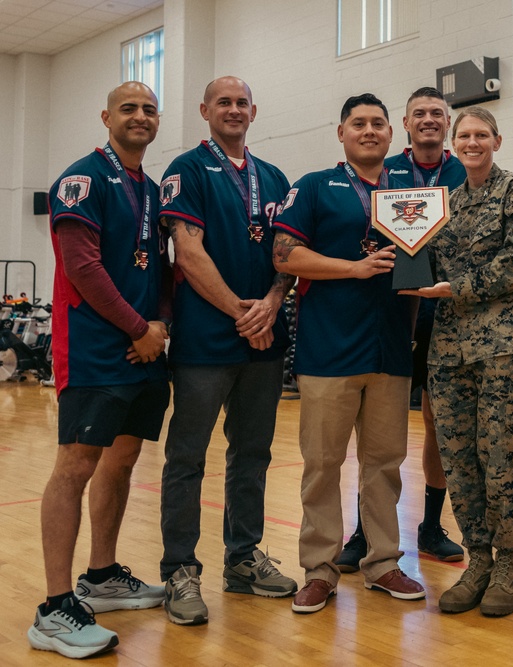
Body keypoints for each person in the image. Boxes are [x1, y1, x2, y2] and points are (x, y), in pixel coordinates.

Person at [29, 81, 169, 659]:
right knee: (76, 465)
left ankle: (102, 576)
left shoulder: (155, 190)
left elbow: (162, 272)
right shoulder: (81, 179)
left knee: (125, 457)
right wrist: (139, 329)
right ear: (106, 116)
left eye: (150, 109)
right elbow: (82, 269)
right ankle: (55, 607)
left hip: (143, 349)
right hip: (93, 349)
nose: (140, 116)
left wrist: (156, 329)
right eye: (129, 108)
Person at [273, 93, 425, 614]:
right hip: (328, 350)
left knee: (384, 464)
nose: (368, 130)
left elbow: (424, 261)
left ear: (392, 134)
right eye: (358, 123)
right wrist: (353, 268)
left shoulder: (413, 190)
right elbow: (285, 253)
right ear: (341, 133)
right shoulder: (314, 186)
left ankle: (383, 562)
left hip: (389, 350)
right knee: (323, 464)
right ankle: (319, 570)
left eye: (377, 123)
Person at [159, 76, 297, 626]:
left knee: (253, 454)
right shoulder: (185, 171)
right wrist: (246, 315)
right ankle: (179, 570)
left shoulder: (275, 176)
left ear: (254, 111)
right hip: (205, 343)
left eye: (242, 103)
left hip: (264, 341)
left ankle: (242, 560)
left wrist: (272, 300)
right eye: (224, 102)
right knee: (187, 457)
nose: (234, 110)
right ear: (205, 111)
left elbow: (289, 254)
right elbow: (187, 255)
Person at [401, 106, 513, 616]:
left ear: (497, 141)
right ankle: (477, 560)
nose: (472, 142)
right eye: (464, 135)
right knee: (460, 461)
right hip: (449, 351)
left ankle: (508, 566)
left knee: (502, 460)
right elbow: (417, 254)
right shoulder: (442, 202)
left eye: (481, 134)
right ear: (453, 143)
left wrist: (453, 288)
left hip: (507, 349)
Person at [338, 86, 467, 572]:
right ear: (405, 126)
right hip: (390, 316)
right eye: (420, 114)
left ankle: (432, 526)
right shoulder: (383, 170)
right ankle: (364, 529)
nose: (429, 120)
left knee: (439, 425)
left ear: (448, 122)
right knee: (375, 433)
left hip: (450, 319)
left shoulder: (465, 171)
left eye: (437, 113)